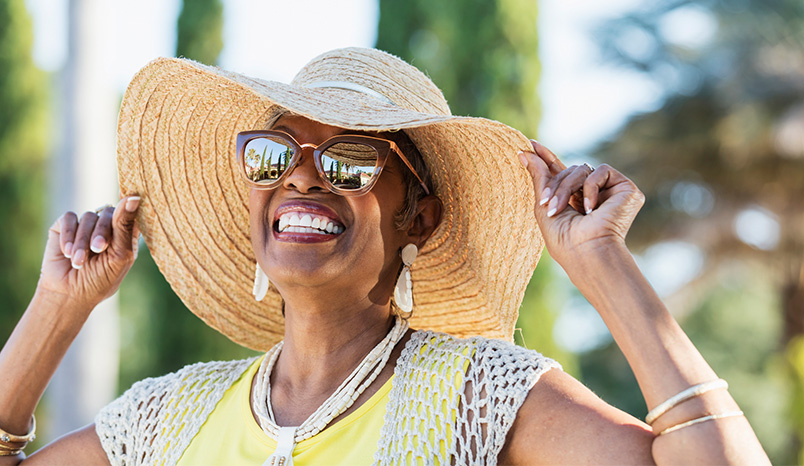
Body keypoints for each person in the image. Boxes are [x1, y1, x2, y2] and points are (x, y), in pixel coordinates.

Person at [0, 47, 769, 465]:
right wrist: (56, 310)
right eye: (274, 155)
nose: (302, 173)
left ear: (419, 218)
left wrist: (604, 267)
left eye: (352, 161)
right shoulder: (167, 419)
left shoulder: (483, 397)